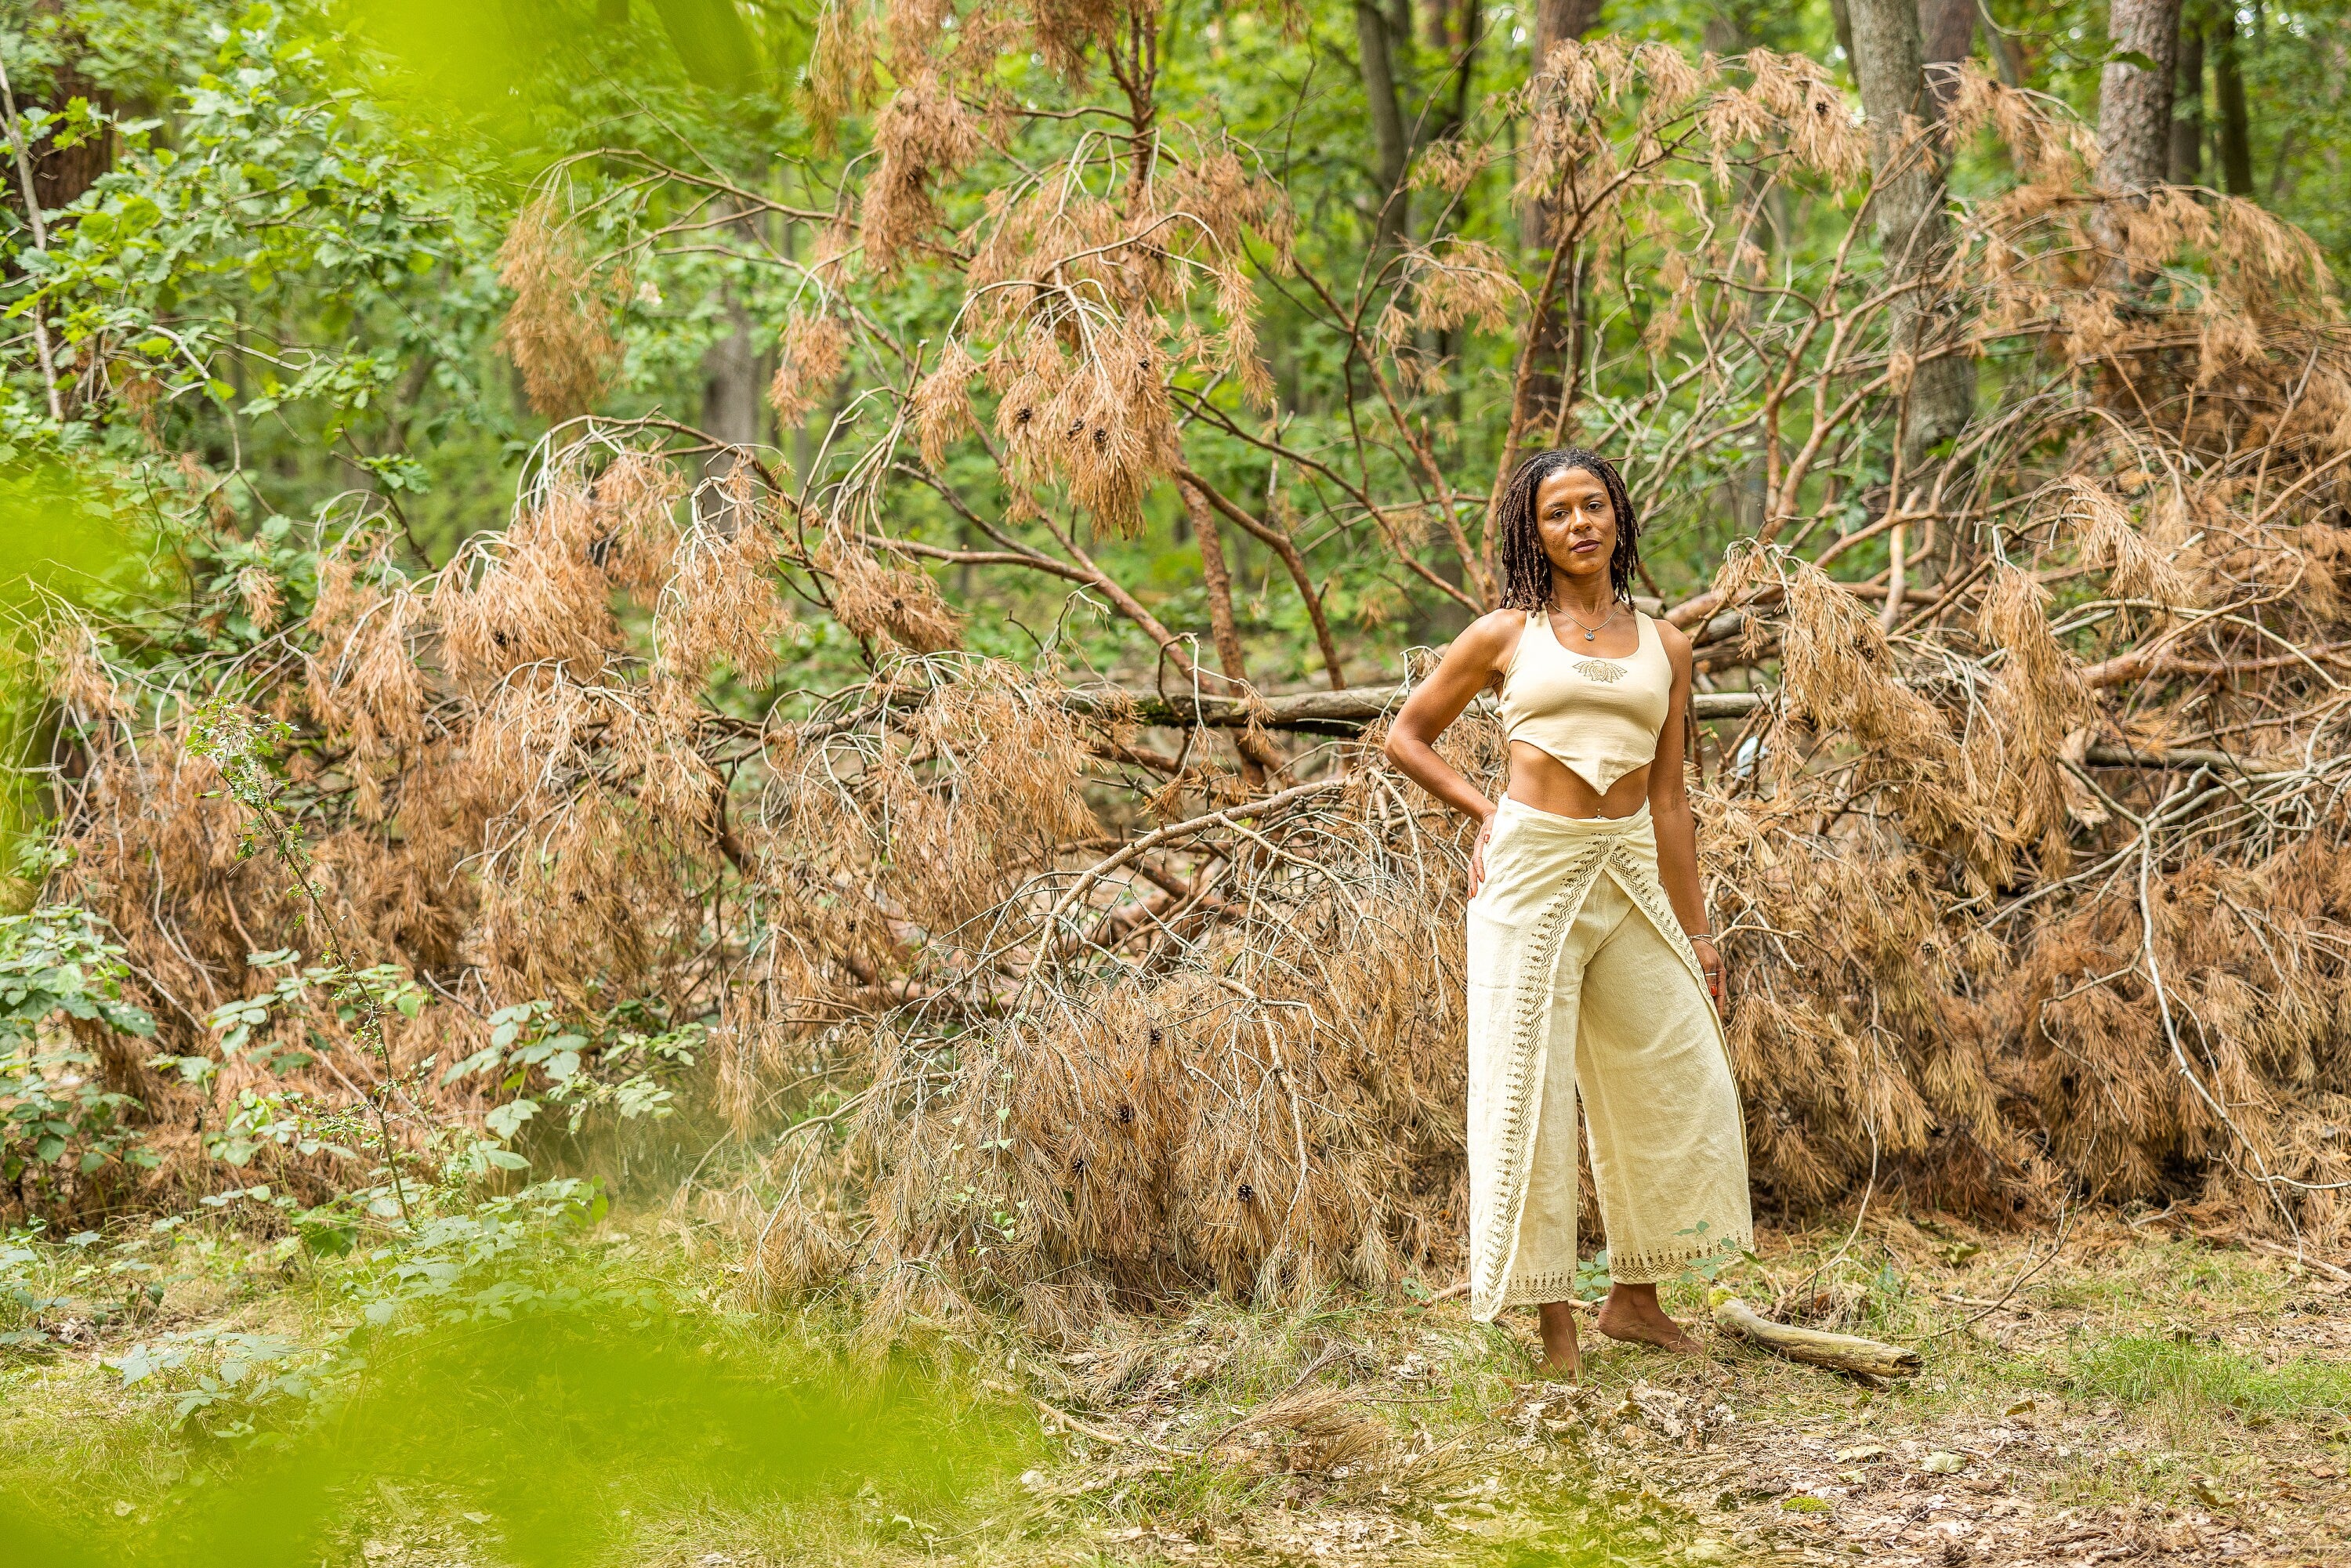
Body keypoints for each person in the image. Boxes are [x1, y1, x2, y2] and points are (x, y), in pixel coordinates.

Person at [1383, 447, 1751, 1376]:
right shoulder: (1506, 635)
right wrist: (1488, 812)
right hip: (1532, 870)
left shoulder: (1667, 645)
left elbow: (1671, 802)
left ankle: (1635, 1298)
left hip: (1628, 866)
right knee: (1529, 1090)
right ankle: (1555, 1330)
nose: (1579, 524)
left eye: (1594, 507)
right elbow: (1406, 736)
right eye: (1558, 513)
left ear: (1618, 518)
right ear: (1533, 532)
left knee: (1677, 1070)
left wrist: (1699, 932)